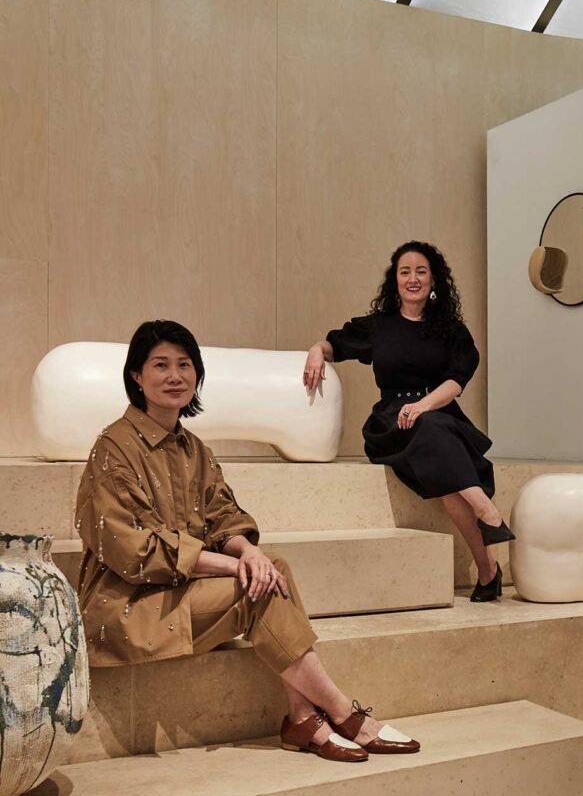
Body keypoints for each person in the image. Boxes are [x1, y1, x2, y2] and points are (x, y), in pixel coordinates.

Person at [74, 319, 419, 762]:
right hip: (129, 603)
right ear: (136, 376)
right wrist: (233, 567)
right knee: (256, 588)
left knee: (271, 566)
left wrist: (249, 553)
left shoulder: (193, 448)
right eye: (160, 365)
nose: (175, 376)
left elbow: (224, 518)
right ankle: (344, 713)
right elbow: (132, 550)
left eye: (185, 364)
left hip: (179, 592)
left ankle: (303, 719)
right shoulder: (113, 447)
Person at [304, 241, 513, 602]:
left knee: (444, 473)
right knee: (434, 440)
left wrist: (423, 405)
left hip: (438, 416)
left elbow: (457, 381)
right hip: (391, 424)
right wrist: (314, 351)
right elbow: (333, 346)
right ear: (395, 280)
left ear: (434, 280)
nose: (412, 278)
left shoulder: (451, 330)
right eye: (405, 272)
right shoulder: (379, 327)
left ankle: (487, 572)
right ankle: (486, 509)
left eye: (421, 271)